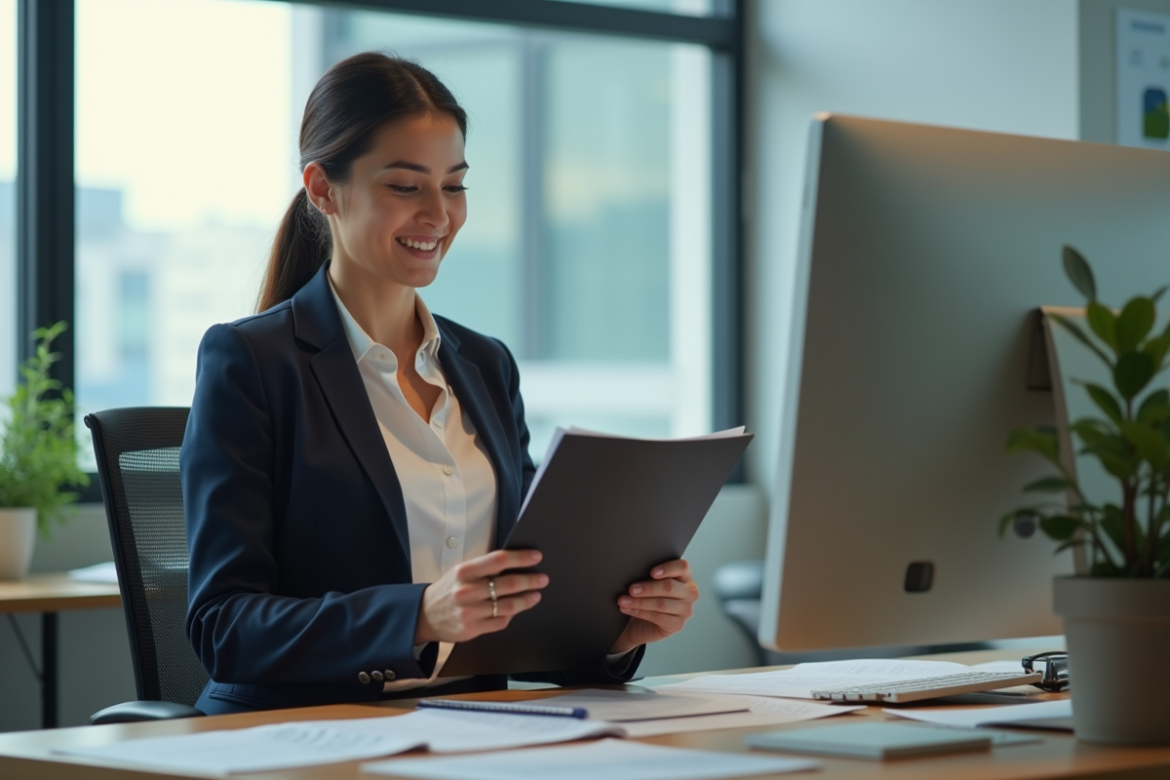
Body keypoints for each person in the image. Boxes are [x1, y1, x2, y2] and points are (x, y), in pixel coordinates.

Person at [181, 52, 700, 715]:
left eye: (453, 186)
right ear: (322, 189)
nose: (438, 214)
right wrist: (419, 616)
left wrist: (618, 632)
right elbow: (225, 628)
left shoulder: (484, 365)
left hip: (475, 729)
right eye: (405, 186)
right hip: (308, 733)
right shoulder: (251, 362)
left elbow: (524, 600)